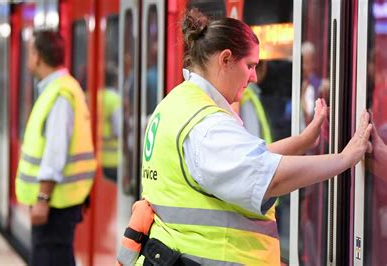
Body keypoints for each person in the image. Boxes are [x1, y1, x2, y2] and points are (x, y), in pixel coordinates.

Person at [132, 9, 372, 265]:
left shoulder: (178, 104)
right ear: (225, 60)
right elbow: (268, 178)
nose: (254, 76)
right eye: (250, 65)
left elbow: (244, 162)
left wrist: (302, 141)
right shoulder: (206, 126)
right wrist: (346, 158)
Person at [15, 30, 96, 266]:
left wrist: (42, 198)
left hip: (54, 203)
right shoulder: (63, 88)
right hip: (59, 201)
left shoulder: (59, 94)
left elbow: (55, 150)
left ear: (37, 56)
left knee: (49, 258)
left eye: (30, 52)